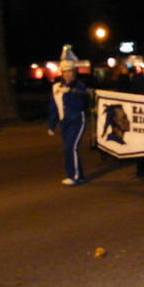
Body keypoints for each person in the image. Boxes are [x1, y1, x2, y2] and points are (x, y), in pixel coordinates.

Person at [47, 46, 90, 185]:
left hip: (77, 120)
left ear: (74, 72)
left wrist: (71, 93)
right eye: (65, 72)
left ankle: (75, 176)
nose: (68, 75)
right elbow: (53, 107)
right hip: (64, 122)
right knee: (68, 149)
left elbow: (82, 104)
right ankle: (78, 175)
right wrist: (51, 125)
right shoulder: (56, 87)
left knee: (71, 147)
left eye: (70, 72)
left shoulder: (80, 86)